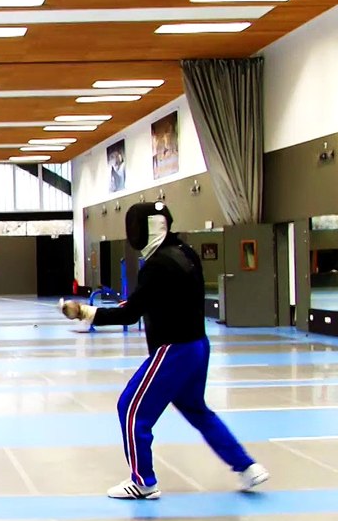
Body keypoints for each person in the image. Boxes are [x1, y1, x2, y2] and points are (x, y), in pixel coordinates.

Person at [60, 202, 269, 500]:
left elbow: (131, 314)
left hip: (174, 351)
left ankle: (143, 481)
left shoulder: (158, 265)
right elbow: (151, 302)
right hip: (198, 346)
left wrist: (84, 312)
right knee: (198, 411)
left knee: (131, 409)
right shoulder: (185, 253)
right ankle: (247, 466)